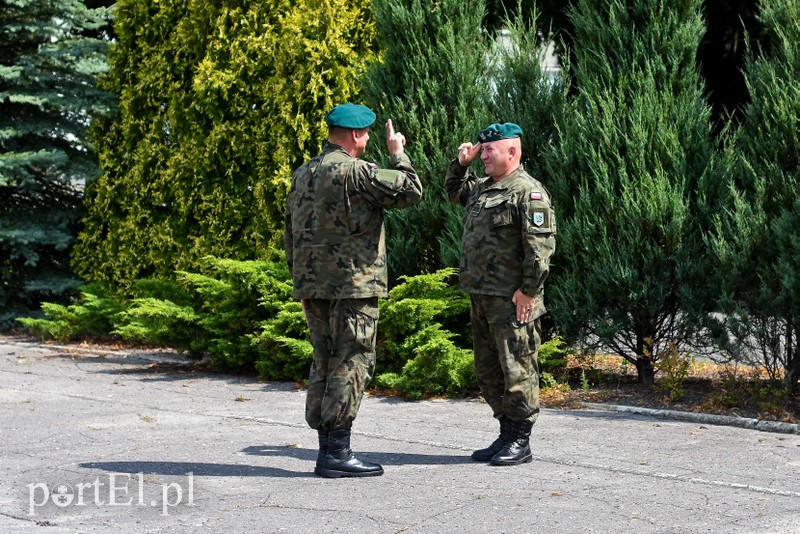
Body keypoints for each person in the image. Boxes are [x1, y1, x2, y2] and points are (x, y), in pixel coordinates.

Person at [284, 103, 423, 478]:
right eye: (366, 135)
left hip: (314, 286)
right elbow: (411, 190)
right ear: (357, 135)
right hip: (354, 287)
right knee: (352, 360)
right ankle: (337, 453)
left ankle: (327, 450)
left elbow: (291, 232)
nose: (367, 140)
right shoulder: (358, 172)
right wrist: (398, 153)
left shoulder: (303, 173)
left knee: (325, 360)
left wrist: (301, 283)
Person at [445, 122, 556, 466]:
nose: (484, 156)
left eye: (489, 150)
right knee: (489, 370)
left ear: (512, 151)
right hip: (482, 296)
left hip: (512, 299)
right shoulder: (482, 188)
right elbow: (454, 191)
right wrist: (461, 164)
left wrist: (528, 291)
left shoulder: (528, 192)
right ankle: (506, 434)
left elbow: (540, 248)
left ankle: (521, 440)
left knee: (517, 368)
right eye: (482, 150)